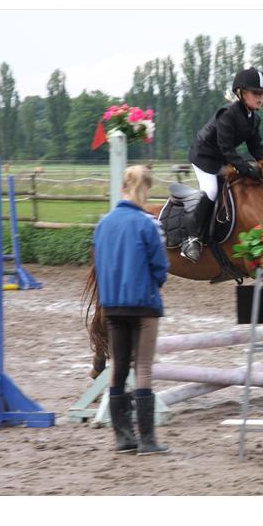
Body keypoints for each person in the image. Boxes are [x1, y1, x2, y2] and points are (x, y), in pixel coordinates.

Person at [93, 164, 170, 455]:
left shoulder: (103, 223)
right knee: (144, 369)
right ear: (146, 189)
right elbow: (160, 268)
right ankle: (148, 440)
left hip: (113, 305)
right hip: (144, 304)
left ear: (123, 188)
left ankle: (123, 437)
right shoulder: (149, 223)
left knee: (118, 368)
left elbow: (99, 264)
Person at [181, 67, 263, 262]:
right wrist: (248, 169)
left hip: (220, 158)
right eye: (256, 93)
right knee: (211, 190)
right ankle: (191, 238)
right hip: (204, 157)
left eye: (262, 94)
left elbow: (257, 149)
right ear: (241, 93)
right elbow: (227, 149)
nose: (260, 98)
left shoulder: (254, 118)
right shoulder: (228, 114)